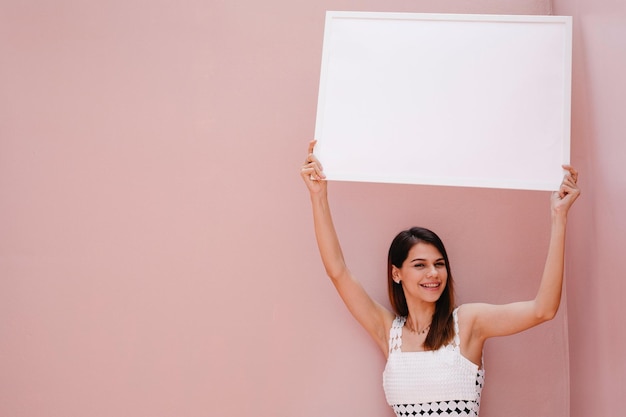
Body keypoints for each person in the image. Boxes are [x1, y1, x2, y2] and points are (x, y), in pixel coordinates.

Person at [300, 140, 580, 417]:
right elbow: (337, 270)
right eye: (420, 265)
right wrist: (318, 196)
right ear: (396, 273)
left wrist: (559, 217)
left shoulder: (468, 323)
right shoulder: (389, 333)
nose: (433, 273)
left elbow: (543, 309)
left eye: (439, 264)